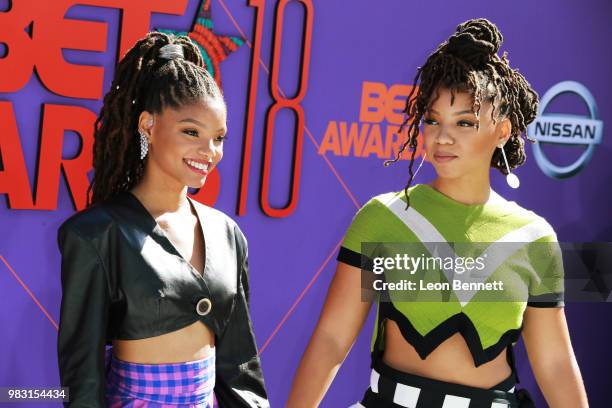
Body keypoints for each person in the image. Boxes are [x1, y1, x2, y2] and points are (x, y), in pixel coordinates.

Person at [287, 19, 588, 408]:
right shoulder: (383, 216)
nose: (443, 137)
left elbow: (555, 364)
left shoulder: (535, 237)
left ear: (502, 131)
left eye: (464, 122)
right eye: (432, 120)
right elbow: (331, 339)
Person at [56, 32, 269, 407]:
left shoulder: (227, 234)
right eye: (192, 132)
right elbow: (82, 375)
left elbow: (239, 365)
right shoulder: (98, 233)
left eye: (219, 137)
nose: (210, 151)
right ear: (148, 126)